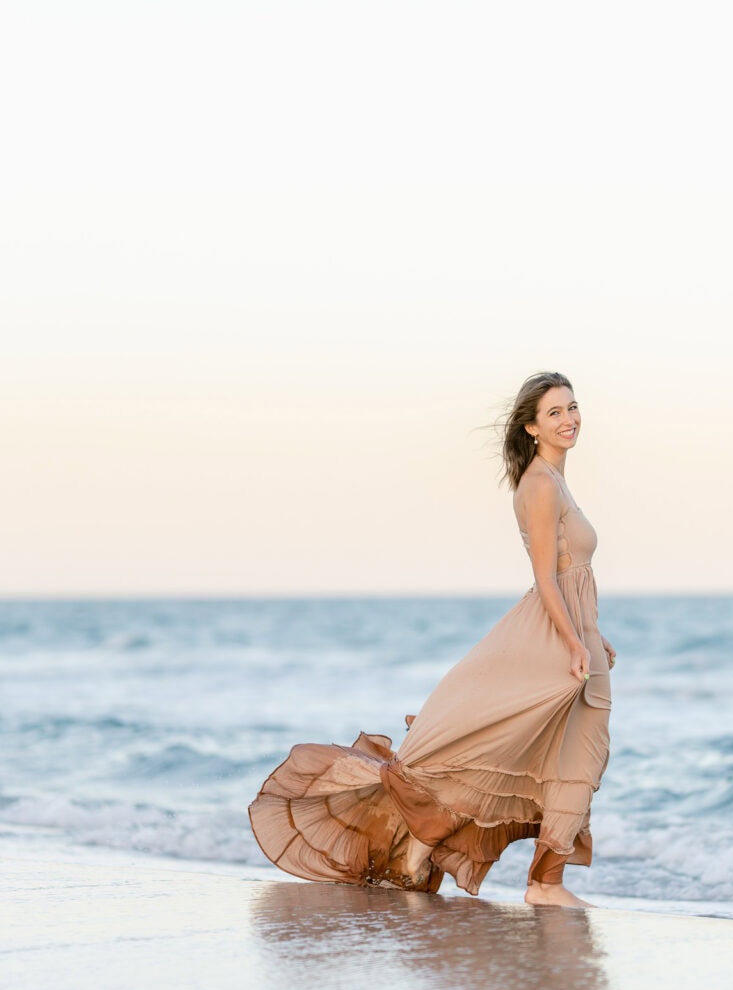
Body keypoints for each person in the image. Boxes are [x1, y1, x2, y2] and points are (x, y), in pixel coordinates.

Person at [248, 371, 616, 908]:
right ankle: (543, 883)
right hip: (556, 635)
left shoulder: (557, 482)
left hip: (574, 632)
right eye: (555, 412)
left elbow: (571, 574)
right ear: (532, 427)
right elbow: (544, 578)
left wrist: (593, 634)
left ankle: (536, 877)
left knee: (570, 755)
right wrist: (574, 640)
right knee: (551, 751)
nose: (568, 420)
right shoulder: (539, 484)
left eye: (572, 407)